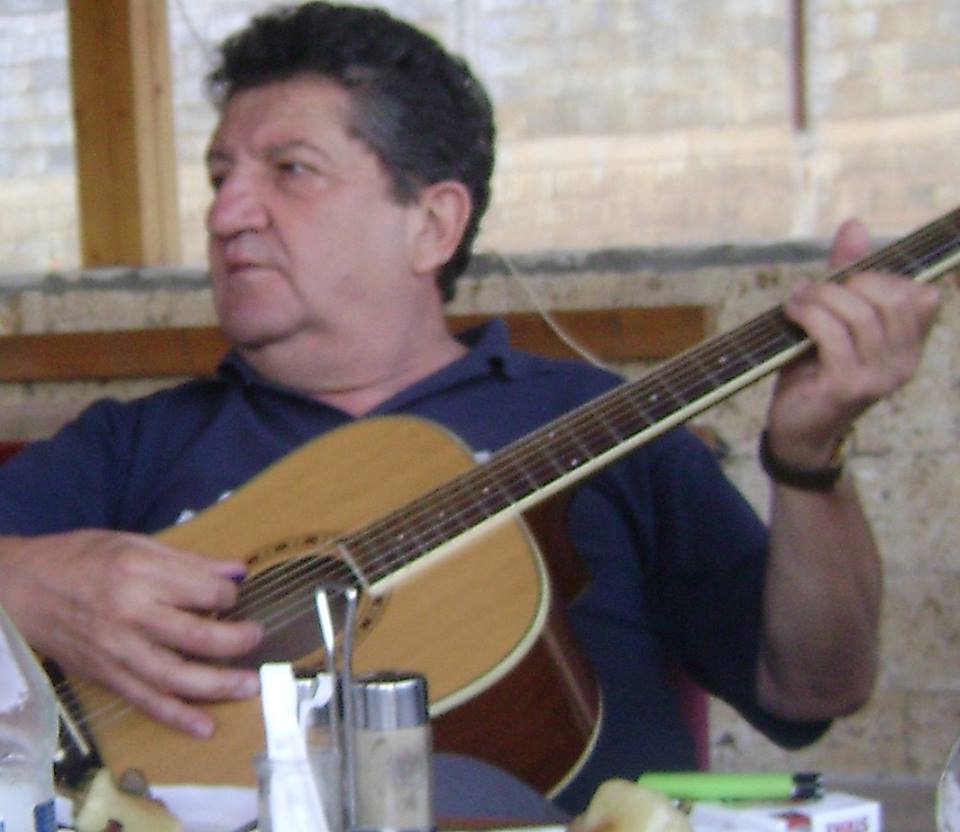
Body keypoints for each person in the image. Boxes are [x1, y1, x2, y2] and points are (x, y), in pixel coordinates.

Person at [0, 0, 940, 816]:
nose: (225, 212)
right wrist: (30, 583)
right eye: (219, 176)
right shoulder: (135, 442)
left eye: (289, 169)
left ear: (433, 223)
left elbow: (814, 686)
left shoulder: (604, 425)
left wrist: (809, 462)